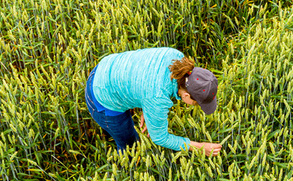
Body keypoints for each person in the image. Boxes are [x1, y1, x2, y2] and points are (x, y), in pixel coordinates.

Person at [85, 47, 222, 156]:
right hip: (101, 97)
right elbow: (160, 138)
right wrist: (200, 148)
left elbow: (147, 74)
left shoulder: (176, 57)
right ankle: (126, 171)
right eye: (197, 103)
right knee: (130, 145)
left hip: (108, 66)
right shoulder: (157, 97)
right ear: (186, 95)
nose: (196, 106)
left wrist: (146, 104)